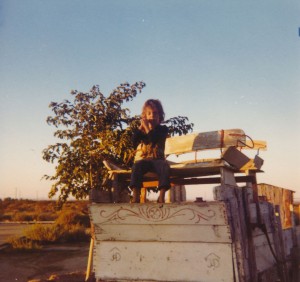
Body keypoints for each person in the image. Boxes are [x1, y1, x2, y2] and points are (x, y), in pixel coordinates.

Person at [129, 99, 171, 203]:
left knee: (164, 166)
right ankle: (135, 196)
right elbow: (133, 143)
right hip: (145, 161)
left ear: (160, 115)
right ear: (145, 116)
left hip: (158, 160)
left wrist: (148, 128)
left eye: (155, 113)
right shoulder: (142, 131)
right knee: (136, 166)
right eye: (149, 113)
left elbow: (153, 139)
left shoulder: (163, 129)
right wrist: (140, 128)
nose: (152, 116)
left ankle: (161, 196)